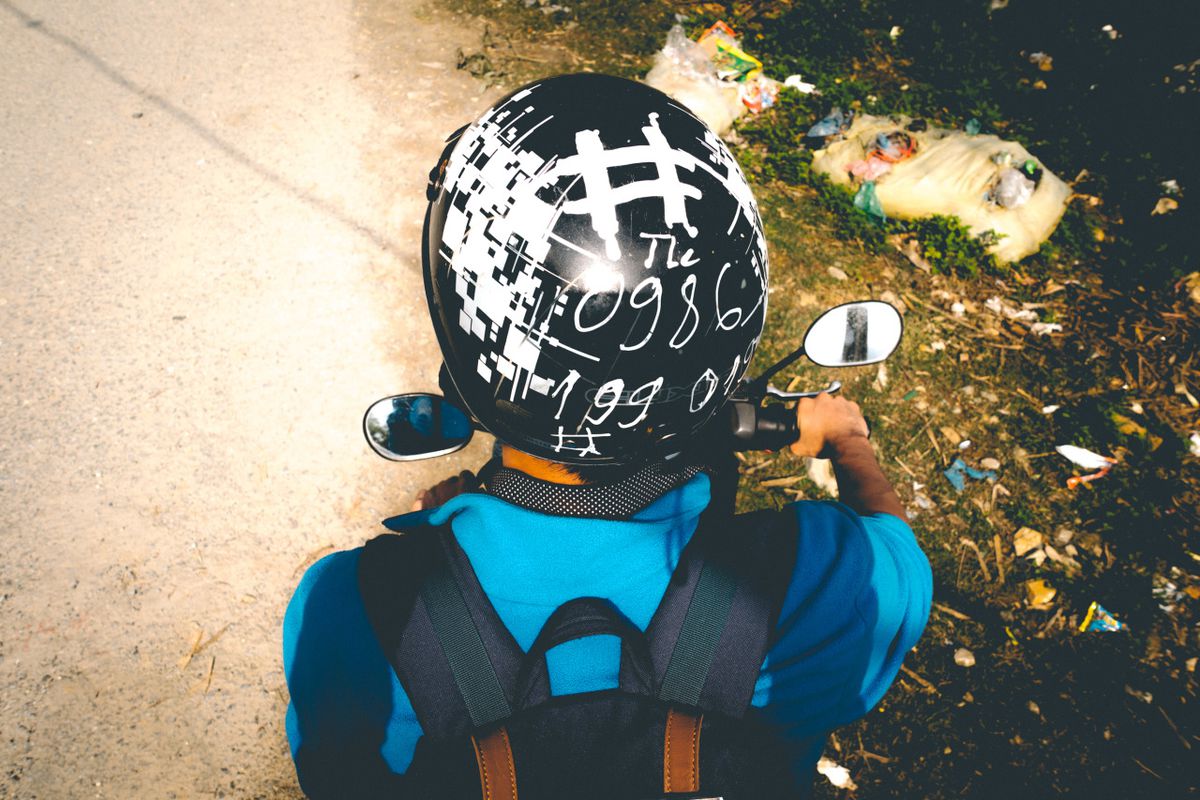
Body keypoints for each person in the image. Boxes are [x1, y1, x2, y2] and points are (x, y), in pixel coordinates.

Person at [283, 74, 931, 798]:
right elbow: (902, 564)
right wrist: (850, 443)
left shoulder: (352, 607)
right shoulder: (814, 583)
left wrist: (434, 555)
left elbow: (335, 778)